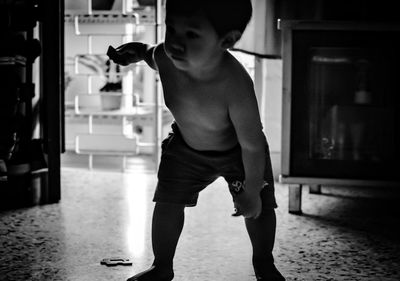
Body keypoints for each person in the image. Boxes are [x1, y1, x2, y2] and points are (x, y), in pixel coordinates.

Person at [108, 0, 285, 280]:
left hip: (238, 151)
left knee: (259, 208)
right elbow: (149, 54)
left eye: (191, 35)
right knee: (166, 202)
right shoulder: (165, 57)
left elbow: (251, 143)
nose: (176, 43)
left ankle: (264, 261)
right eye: (171, 29)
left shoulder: (235, 83)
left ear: (226, 40)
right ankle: (162, 266)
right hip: (186, 148)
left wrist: (251, 191)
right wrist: (136, 53)